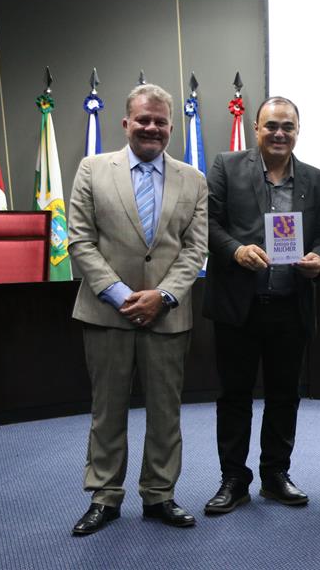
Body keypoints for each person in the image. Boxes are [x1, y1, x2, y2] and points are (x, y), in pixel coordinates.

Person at [68, 84, 208, 535]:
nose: (152, 128)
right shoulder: (92, 169)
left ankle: (159, 495)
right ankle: (104, 497)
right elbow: (80, 240)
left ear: (171, 127)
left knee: (166, 412)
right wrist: (120, 294)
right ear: (126, 122)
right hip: (107, 312)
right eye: (143, 120)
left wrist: (162, 296)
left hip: (168, 315)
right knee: (107, 410)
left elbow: (195, 249)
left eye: (160, 121)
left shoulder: (193, 178)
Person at [203, 96, 320, 513]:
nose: (279, 133)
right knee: (234, 395)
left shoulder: (317, 179)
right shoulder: (226, 166)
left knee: (284, 395)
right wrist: (236, 251)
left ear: (298, 131)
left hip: (290, 305)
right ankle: (233, 479)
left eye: (287, 126)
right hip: (238, 304)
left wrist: (319, 259)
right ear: (256, 128)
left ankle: (275, 475)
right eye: (271, 125)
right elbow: (207, 223)